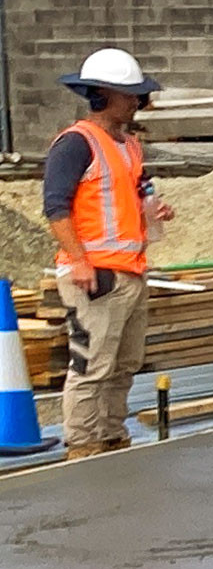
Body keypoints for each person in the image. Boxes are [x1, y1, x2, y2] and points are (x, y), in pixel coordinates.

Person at [42, 47, 175, 458]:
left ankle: (111, 434)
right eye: (129, 94)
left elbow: (129, 195)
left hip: (129, 271)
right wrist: (80, 261)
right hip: (95, 275)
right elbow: (55, 207)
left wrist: (153, 212)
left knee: (123, 364)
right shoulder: (77, 144)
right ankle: (83, 443)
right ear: (103, 94)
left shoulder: (128, 146)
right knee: (91, 366)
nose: (137, 102)